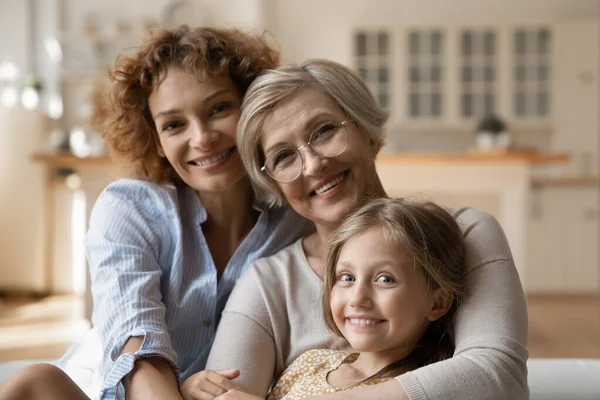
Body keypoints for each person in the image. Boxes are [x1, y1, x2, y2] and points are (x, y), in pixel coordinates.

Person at [0, 25, 314, 400]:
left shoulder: (297, 219)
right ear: (158, 141)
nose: (201, 138)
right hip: (116, 391)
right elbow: (140, 349)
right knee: (31, 383)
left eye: (218, 109)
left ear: (252, 109)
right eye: (174, 125)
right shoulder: (130, 208)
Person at [199, 59, 529, 400]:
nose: (313, 164)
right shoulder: (269, 283)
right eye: (284, 157)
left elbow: (497, 376)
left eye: (324, 131)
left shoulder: (466, 233)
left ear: (368, 133)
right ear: (275, 185)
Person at [267, 197, 468, 399]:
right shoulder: (310, 363)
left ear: (437, 303)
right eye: (347, 277)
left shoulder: (426, 391)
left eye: (385, 279)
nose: (358, 298)